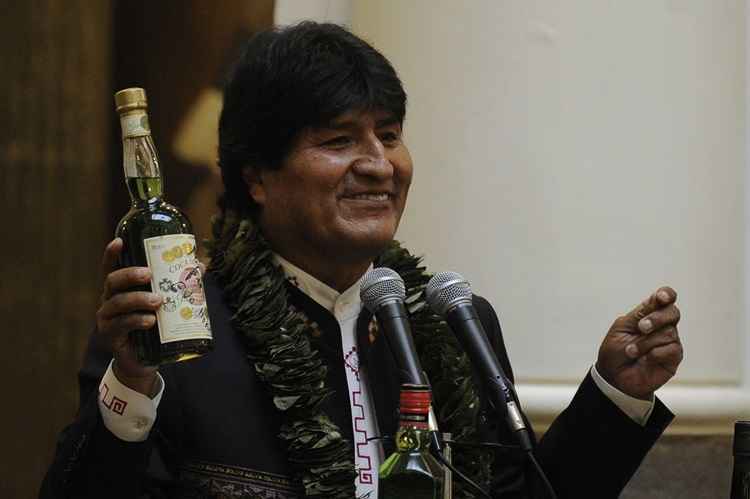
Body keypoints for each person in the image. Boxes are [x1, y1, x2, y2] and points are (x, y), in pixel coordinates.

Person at [40, 22, 683, 499]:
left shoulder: (456, 319)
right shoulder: (178, 328)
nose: (379, 165)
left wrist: (613, 394)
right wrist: (131, 382)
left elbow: (523, 494)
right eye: (339, 140)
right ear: (258, 176)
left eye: (391, 135)